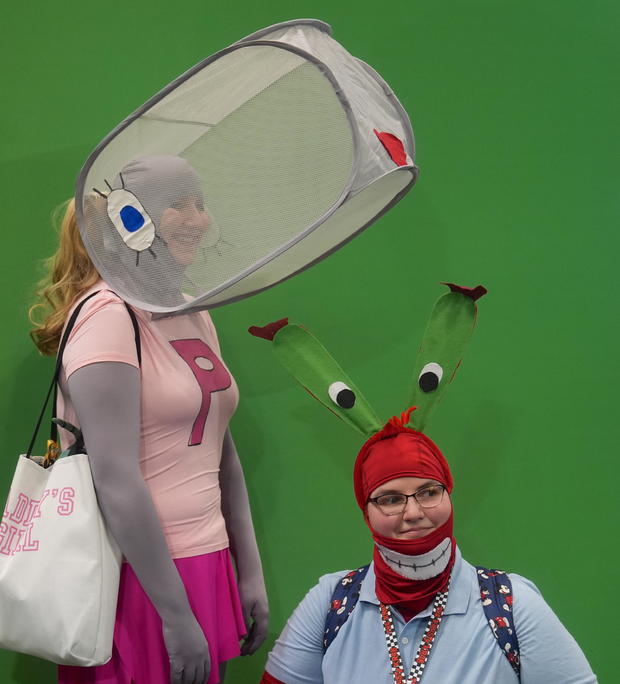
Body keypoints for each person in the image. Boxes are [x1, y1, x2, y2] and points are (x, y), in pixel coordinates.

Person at [29, 156, 268, 684]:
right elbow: (114, 479)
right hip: (139, 578)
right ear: (131, 220)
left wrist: (247, 570)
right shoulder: (106, 316)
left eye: (200, 203)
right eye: (179, 204)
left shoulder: (193, 309)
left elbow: (218, 445)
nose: (200, 219)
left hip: (208, 562)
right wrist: (176, 616)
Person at [259, 412, 597, 684]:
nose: (414, 513)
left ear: (448, 495)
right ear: (367, 514)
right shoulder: (331, 600)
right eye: (390, 499)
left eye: (429, 492)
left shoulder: (509, 604)